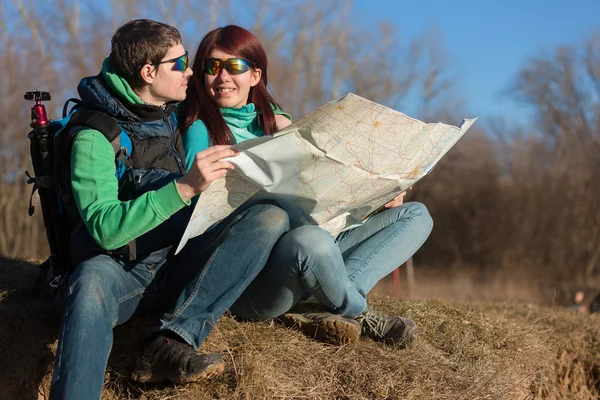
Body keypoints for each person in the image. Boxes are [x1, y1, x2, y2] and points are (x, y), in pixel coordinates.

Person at [49, 19, 291, 400]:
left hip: (175, 261)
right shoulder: (95, 137)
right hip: (119, 270)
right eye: (180, 64)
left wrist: (279, 119)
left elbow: (237, 90)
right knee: (91, 282)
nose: (191, 71)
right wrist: (184, 187)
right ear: (148, 72)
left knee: (270, 217)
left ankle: (170, 341)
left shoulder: (171, 110)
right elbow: (104, 227)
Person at [181, 25, 433, 346]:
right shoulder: (199, 131)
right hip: (258, 280)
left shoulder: (276, 123)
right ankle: (356, 310)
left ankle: (323, 299)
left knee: (415, 216)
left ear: (255, 76)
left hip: (316, 241)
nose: (223, 77)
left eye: (234, 67)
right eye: (213, 67)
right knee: (309, 239)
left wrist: (379, 193)